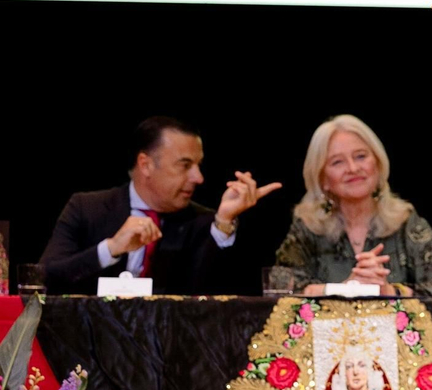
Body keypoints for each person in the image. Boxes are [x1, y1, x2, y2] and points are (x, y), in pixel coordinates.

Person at [39, 116, 281, 295]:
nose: (198, 178)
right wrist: (111, 248)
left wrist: (225, 222)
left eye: (198, 165)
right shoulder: (87, 208)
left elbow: (216, 293)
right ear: (145, 165)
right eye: (185, 165)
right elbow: (43, 279)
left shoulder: (202, 222)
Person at [274, 114, 432, 298]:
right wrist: (346, 289)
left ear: (378, 164)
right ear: (322, 179)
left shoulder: (406, 222)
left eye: (361, 156)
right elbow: (279, 289)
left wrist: (392, 291)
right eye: (337, 162)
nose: (353, 168)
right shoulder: (306, 228)